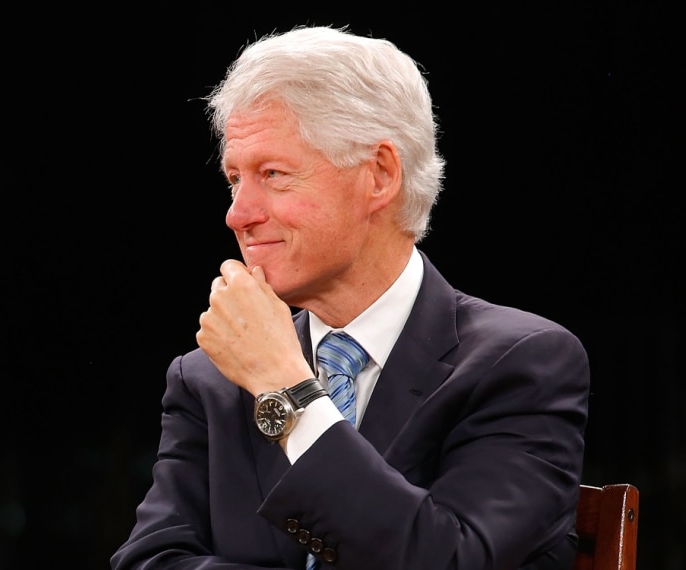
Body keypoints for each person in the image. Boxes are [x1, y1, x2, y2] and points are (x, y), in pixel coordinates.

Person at [111, 25, 590, 570]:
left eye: (273, 174)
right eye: (233, 179)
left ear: (380, 175)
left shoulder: (521, 363)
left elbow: (450, 559)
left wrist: (285, 391)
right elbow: (149, 560)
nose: (238, 214)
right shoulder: (208, 380)